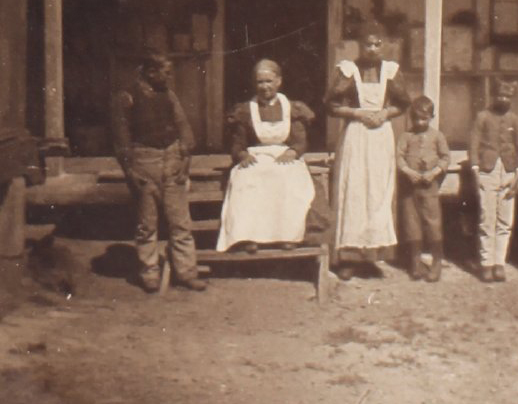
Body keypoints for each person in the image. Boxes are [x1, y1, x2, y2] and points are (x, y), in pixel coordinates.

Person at [111, 50, 206, 292]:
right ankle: (149, 272)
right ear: (151, 72)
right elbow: (121, 142)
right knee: (147, 224)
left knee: (180, 222)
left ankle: (186, 272)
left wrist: (185, 162)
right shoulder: (126, 98)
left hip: (172, 160)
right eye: (166, 72)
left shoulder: (169, 95)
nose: (169, 77)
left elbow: (184, 128)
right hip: (145, 162)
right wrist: (131, 173)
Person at [325, 22, 410, 279]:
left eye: (377, 44)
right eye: (367, 44)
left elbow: (403, 104)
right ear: (359, 46)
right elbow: (331, 105)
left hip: (381, 136)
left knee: (378, 192)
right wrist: (358, 113)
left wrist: (385, 113)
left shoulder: (391, 71)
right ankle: (349, 257)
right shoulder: (348, 70)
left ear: (384, 45)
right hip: (356, 135)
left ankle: (372, 256)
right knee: (354, 192)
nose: (372, 49)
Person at [216, 59, 319, 253]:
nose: (264, 87)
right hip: (257, 154)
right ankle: (249, 236)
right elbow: (238, 142)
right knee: (247, 178)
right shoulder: (246, 109)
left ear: (279, 81)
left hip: (284, 155)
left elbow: (300, 140)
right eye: (260, 82)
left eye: (269, 81)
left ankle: (288, 236)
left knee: (288, 179)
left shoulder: (292, 108)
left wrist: (293, 151)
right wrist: (241, 155)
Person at [468, 79, 518, 282]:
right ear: (493, 96)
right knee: (487, 218)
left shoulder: (515, 120)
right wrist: (476, 170)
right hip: (488, 171)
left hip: (509, 172)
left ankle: (499, 263)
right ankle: (486, 263)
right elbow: (474, 144)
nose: (503, 99)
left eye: (507, 96)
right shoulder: (482, 117)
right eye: (500, 95)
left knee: (505, 220)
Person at [396, 95, 451, 282]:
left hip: (429, 187)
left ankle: (436, 262)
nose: (420, 122)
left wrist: (434, 172)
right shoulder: (406, 136)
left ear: (431, 117)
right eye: (417, 118)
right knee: (412, 225)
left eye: (424, 119)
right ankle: (415, 262)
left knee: (433, 223)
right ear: (411, 117)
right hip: (409, 189)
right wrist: (407, 171)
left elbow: (445, 158)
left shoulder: (437, 136)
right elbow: (399, 157)